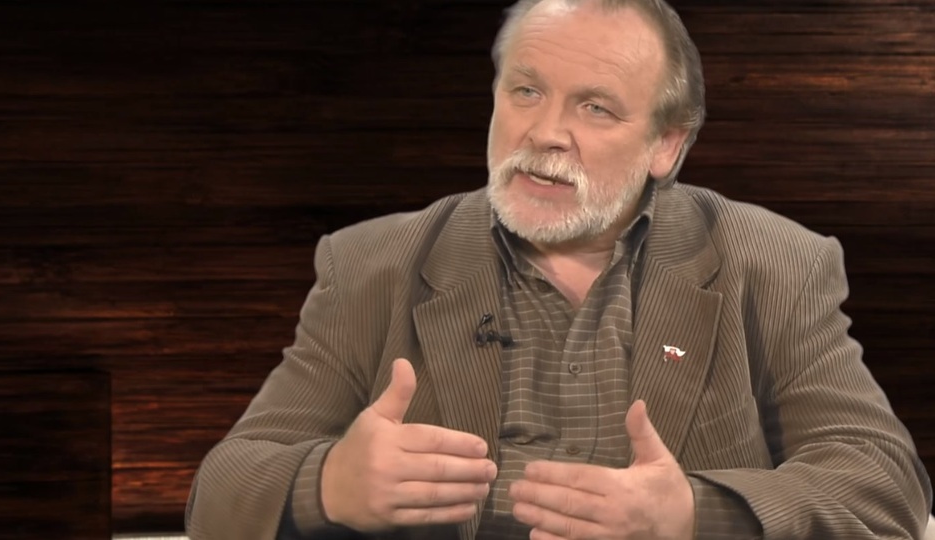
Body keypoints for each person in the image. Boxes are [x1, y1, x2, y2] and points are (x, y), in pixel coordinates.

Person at [185, 0, 933, 538]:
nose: (545, 133)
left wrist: (692, 514)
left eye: (596, 108)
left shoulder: (772, 263)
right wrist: (328, 485)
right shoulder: (371, 263)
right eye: (526, 91)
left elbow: (884, 483)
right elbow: (220, 490)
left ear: (666, 145)